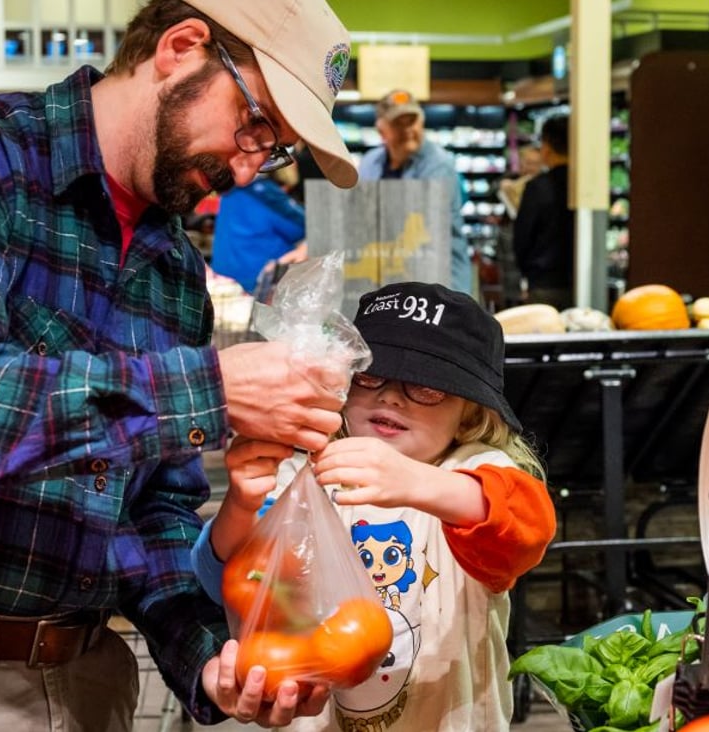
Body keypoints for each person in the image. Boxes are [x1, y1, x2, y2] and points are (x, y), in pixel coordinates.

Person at [0, 0, 362, 729]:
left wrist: (211, 658)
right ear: (180, 47)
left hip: (89, 679)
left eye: (274, 150)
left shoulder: (172, 271)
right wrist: (212, 389)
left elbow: (149, 515)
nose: (247, 167)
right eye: (254, 124)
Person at [193, 281, 558, 730]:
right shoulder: (307, 469)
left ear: (470, 411)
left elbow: (526, 526)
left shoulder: (476, 470)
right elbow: (226, 580)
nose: (390, 396)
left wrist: (420, 482)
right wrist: (241, 505)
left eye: (427, 386)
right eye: (370, 375)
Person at [357, 90, 473, 296]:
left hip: (441, 285)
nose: (408, 129)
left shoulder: (439, 165)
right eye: (398, 123)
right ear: (381, 130)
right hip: (391, 281)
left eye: (412, 121)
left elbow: (415, 225)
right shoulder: (370, 162)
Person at [512, 114, 574, 310]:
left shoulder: (537, 187)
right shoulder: (584, 186)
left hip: (544, 284)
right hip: (582, 282)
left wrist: (526, 273)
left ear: (546, 148)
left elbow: (522, 238)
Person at [211, 170, 308, 293]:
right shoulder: (264, 192)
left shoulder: (231, 191)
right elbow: (302, 227)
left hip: (223, 280)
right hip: (257, 284)